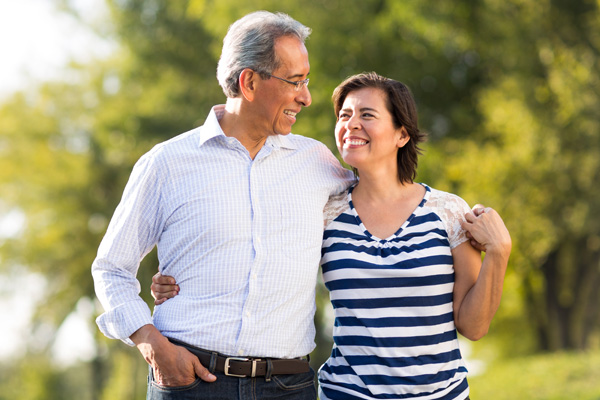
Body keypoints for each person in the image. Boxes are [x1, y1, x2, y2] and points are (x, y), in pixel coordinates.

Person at [152, 72, 512, 400]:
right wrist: (179, 282)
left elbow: (474, 326)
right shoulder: (326, 209)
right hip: (345, 394)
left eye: (367, 115)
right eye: (344, 116)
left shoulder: (447, 212)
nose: (351, 124)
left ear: (402, 134)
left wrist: (499, 251)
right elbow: (255, 251)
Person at [91, 11, 354, 400]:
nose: (306, 97)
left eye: (306, 81)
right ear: (249, 82)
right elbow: (112, 269)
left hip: (288, 386)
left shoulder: (317, 162)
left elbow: (383, 198)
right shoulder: (166, 164)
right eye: (294, 82)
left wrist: (455, 214)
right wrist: (151, 343)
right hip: (189, 382)